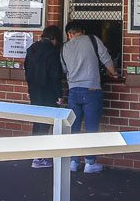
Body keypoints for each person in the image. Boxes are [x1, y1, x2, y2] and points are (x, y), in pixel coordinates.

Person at [61, 21, 118, 173]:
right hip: (91, 89)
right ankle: (90, 163)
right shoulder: (92, 40)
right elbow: (106, 59)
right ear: (82, 31)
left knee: (74, 127)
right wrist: (114, 73)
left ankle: (73, 161)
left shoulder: (64, 47)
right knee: (91, 128)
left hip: (73, 91)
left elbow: (64, 68)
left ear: (69, 34)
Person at [24, 25, 64, 169]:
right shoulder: (52, 52)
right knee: (46, 123)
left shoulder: (31, 49)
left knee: (37, 122)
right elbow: (55, 75)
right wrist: (59, 94)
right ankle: (40, 157)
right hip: (48, 92)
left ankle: (36, 155)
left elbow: (27, 70)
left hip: (34, 91)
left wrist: (30, 88)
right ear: (54, 38)